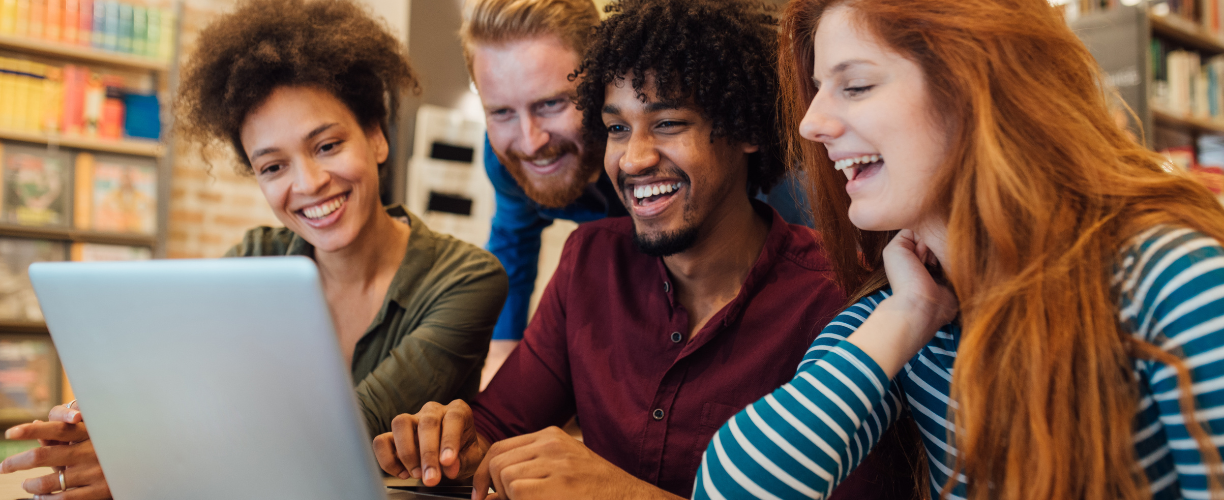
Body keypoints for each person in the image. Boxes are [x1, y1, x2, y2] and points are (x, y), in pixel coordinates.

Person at [372, 1, 919, 498]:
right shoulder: (590, 262)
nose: (632, 158)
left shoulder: (841, 298)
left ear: (744, 128)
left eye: (668, 123)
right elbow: (501, 424)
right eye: (615, 127)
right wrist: (453, 442)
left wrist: (620, 493)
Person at [693, 0, 1224, 499]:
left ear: (977, 87)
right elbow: (730, 488)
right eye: (817, 89)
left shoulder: (1169, 279)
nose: (811, 123)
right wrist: (908, 314)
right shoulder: (907, 308)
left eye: (855, 85)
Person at [0, 1, 507, 499]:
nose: (308, 183)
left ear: (376, 138)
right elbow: (184, 391)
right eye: (273, 167)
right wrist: (107, 428)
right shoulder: (256, 257)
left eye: (327, 145)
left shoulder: (466, 279)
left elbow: (347, 435)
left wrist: (140, 460)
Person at [464, 0, 812, 346]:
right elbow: (513, 249)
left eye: (551, 103)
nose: (529, 143)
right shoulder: (511, 160)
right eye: (501, 112)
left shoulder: (785, 195)